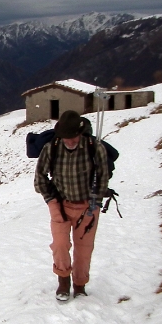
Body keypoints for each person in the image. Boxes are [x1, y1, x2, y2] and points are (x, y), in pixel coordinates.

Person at [33, 110, 111, 302]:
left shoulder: (94, 148)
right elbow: (39, 179)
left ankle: (80, 284)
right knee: (60, 245)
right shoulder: (52, 148)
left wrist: (97, 200)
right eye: (66, 138)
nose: (70, 141)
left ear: (80, 132)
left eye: (73, 137)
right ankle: (63, 281)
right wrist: (51, 201)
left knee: (84, 248)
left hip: (88, 205)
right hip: (60, 204)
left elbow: (103, 176)